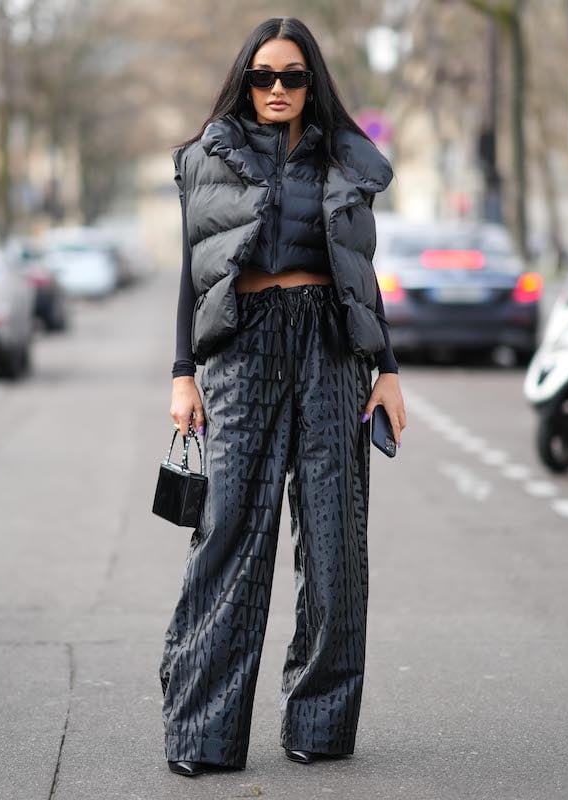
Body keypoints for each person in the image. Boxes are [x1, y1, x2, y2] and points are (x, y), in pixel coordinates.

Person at [158, 17, 406, 778]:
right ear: (245, 79)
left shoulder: (342, 158)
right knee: (231, 530)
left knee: (335, 538)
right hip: (244, 346)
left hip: (330, 347)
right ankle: (204, 732)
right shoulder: (208, 158)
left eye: (291, 77)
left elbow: (359, 273)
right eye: (263, 76)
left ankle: (321, 722)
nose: (276, 90)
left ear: (311, 82)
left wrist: (387, 370)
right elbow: (193, 271)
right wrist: (181, 372)